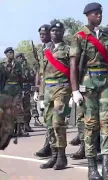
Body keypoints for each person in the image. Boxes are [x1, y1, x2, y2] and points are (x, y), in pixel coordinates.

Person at [70, 2, 108, 179]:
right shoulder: (80, 36)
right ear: (88, 15)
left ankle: (106, 166)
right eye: (96, 14)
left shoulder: (106, 37)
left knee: (107, 123)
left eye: (100, 14)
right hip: (88, 83)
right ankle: (92, 167)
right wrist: (74, 90)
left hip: (105, 82)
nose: (99, 16)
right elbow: (74, 65)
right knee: (90, 125)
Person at [39, 20, 70, 170]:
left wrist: (75, 91)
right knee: (49, 124)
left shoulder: (68, 49)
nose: (55, 33)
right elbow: (42, 75)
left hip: (62, 87)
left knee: (58, 122)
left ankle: (62, 156)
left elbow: (74, 71)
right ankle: (53, 155)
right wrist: (39, 95)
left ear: (63, 32)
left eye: (58, 31)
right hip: (48, 90)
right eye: (52, 31)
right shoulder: (45, 51)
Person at [33, 24, 53, 158]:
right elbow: (39, 72)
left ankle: (50, 146)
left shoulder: (53, 48)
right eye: (40, 34)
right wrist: (37, 90)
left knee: (52, 118)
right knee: (47, 116)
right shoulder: (42, 49)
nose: (42, 37)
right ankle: (49, 145)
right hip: (44, 86)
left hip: (53, 86)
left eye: (44, 34)